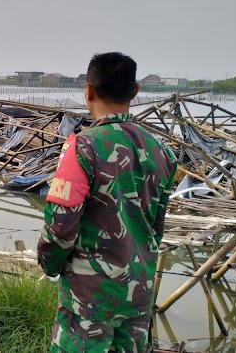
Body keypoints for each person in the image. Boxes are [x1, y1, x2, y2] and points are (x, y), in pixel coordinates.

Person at [37, 52, 177, 353]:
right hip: (138, 294)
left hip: (89, 300)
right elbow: (157, 227)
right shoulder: (163, 152)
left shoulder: (82, 147)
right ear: (135, 90)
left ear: (88, 91)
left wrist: (50, 266)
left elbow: (60, 226)